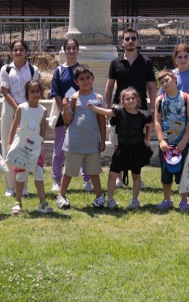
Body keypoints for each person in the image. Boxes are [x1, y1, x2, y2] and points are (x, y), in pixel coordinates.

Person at [106, 28, 156, 187]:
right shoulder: (115, 63)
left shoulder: (146, 62)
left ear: (138, 41)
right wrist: (107, 108)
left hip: (139, 110)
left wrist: (153, 110)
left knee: (138, 143)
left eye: (133, 38)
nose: (130, 41)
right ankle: (119, 178)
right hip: (119, 109)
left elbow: (152, 87)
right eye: (127, 39)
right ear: (122, 42)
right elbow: (109, 87)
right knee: (117, 143)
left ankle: (136, 177)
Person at [57, 65, 113, 210]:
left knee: (94, 172)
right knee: (68, 172)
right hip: (74, 143)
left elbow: (101, 121)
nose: (85, 81)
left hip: (92, 142)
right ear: (76, 82)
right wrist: (64, 107)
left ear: (93, 78)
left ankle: (100, 196)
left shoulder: (98, 98)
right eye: (81, 79)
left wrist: (102, 140)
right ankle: (61, 196)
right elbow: (67, 120)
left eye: (88, 78)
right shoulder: (73, 98)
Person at [0, 39, 38, 199]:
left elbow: (35, 91)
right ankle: (10, 185)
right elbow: (5, 91)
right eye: (15, 50)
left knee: (25, 147)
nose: (18, 52)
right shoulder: (6, 69)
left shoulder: (34, 70)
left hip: (28, 110)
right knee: (8, 146)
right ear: (11, 52)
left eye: (21, 49)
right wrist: (17, 108)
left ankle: (24, 185)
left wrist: (26, 109)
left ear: (26, 52)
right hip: (10, 110)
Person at [48, 36, 90, 193]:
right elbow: (56, 93)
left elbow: (85, 89)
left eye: (74, 48)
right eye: (68, 48)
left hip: (80, 113)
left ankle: (87, 179)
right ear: (64, 51)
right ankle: (56, 180)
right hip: (62, 114)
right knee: (59, 149)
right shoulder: (58, 71)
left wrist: (74, 112)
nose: (71, 51)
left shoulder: (82, 70)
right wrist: (65, 112)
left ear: (77, 50)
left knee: (84, 147)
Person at [4, 77, 50, 214]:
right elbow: (14, 126)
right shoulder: (21, 108)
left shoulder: (43, 111)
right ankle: (18, 202)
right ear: (27, 94)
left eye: (37, 91)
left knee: (39, 174)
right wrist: (9, 143)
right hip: (22, 147)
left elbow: (42, 129)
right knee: (21, 175)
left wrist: (39, 144)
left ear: (41, 92)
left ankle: (43, 202)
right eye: (32, 91)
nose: (35, 94)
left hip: (35, 148)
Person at [152, 68, 189, 212]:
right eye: (161, 82)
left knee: (183, 173)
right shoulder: (160, 100)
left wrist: (184, 140)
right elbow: (157, 122)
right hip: (166, 143)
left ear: (175, 79)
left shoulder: (186, 98)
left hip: (182, 142)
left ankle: (184, 201)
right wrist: (161, 141)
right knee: (166, 173)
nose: (164, 83)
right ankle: (167, 199)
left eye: (167, 80)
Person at [105, 87, 151, 210]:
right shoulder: (119, 113)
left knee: (136, 176)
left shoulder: (141, 115)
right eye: (127, 98)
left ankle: (135, 200)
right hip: (122, 150)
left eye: (132, 98)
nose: (130, 100)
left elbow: (149, 125)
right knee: (112, 174)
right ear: (122, 101)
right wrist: (93, 108)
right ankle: (110, 199)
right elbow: (107, 112)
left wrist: (147, 139)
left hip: (136, 150)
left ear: (137, 100)